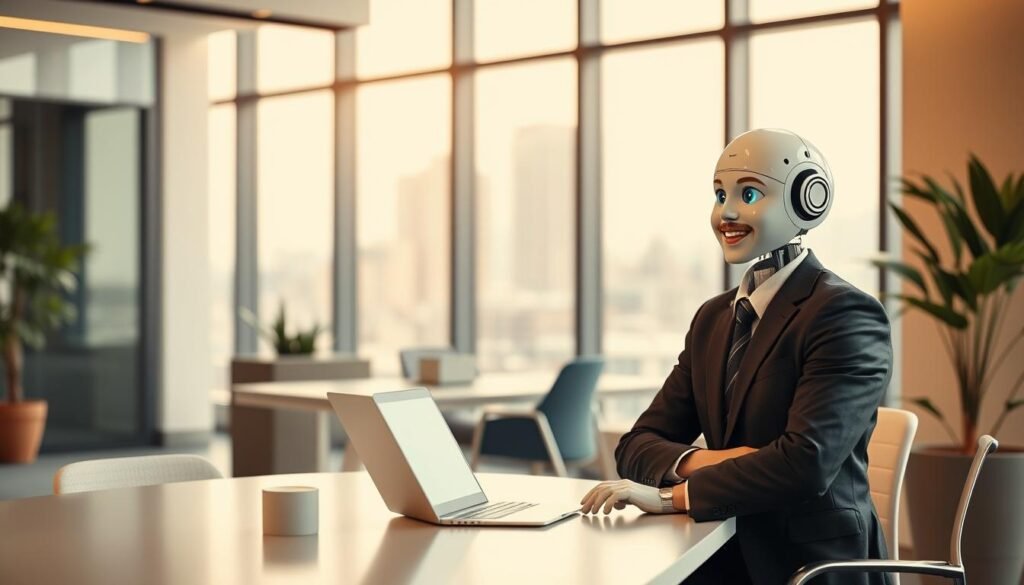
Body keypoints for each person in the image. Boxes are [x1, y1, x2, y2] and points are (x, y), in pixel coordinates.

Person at [580, 129, 893, 585]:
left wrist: (672, 496)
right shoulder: (713, 318)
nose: (726, 212)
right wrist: (720, 460)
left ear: (809, 198)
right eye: (719, 194)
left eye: (749, 193)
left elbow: (804, 466)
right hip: (714, 546)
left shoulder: (845, 314)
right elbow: (635, 446)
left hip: (807, 565)